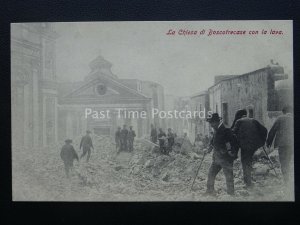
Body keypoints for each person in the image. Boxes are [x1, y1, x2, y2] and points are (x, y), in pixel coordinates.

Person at [204, 113, 239, 196]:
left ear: (216, 122)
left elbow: (231, 142)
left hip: (226, 158)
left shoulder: (226, 130)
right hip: (217, 158)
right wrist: (209, 148)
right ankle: (210, 191)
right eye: (210, 123)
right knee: (211, 173)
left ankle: (231, 194)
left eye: (212, 123)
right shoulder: (216, 130)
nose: (211, 125)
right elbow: (213, 141)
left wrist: (231, 153)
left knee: (229, 176)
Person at [232, 109, 267, 189]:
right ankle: (248, 180)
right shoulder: (254, 120)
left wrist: (237, 143)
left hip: (244, 146)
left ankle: (248, 182)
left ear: (240, 116)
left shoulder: (239, 121)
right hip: (253, 146)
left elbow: (233, 133)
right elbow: (264, 130)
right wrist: (262, 141)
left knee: (245, 162)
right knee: (249, 161)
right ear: (246, 115)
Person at [266, 105, 293, 184]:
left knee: (283, 161)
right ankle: (288, 178)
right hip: (292, 143)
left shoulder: (280, 118)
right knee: (288, 160)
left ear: (283, 112)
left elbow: (273, 131)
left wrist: (268, 142)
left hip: (282, 144)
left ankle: (286, 179)